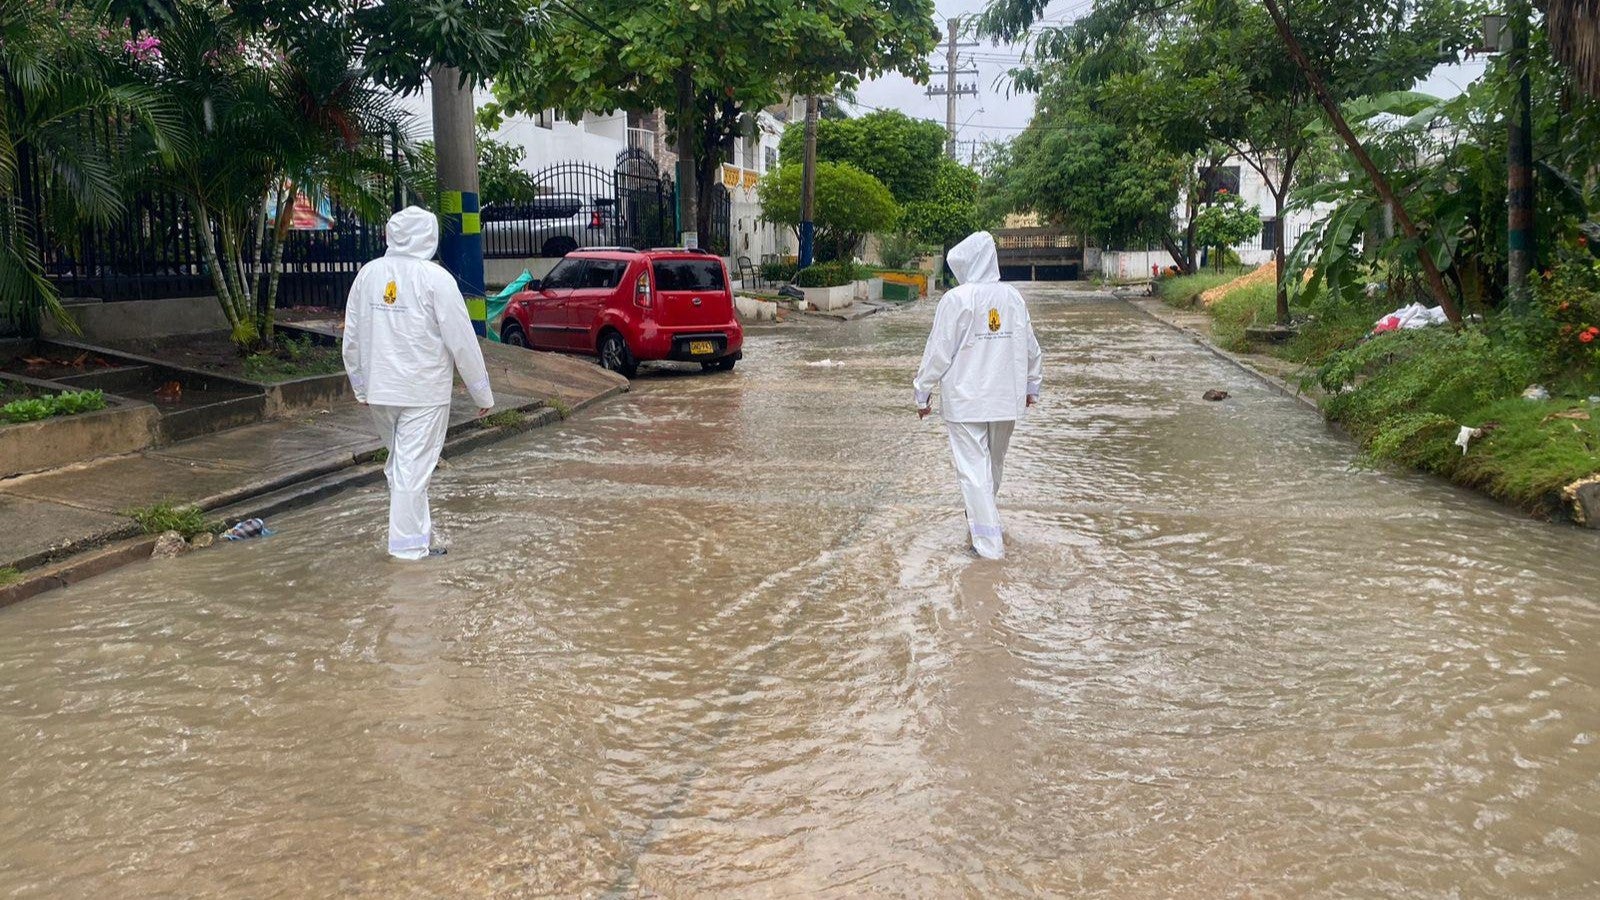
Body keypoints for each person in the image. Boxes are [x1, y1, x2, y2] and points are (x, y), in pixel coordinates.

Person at [342, 206, 494, 560]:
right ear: (429, 236)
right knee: (411, 470)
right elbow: (462, 341)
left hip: (381, 389)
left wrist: (361, 386)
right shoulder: (436, 278)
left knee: (401, 466)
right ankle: (409, 554)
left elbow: (351, 337)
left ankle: (417, 538)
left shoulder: (368, 275)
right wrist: (481, 391)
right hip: (423, 392)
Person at [913, 231, 1044, 560]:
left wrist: (922, 391)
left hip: (966, 400)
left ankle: (988, 547)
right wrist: (1031, 385)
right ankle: (983, 527)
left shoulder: (957, 299)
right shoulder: (1012, 297)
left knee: (973, 472)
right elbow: (1030, 346)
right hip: (1005, 399)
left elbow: (938, 352)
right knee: (992, 468)